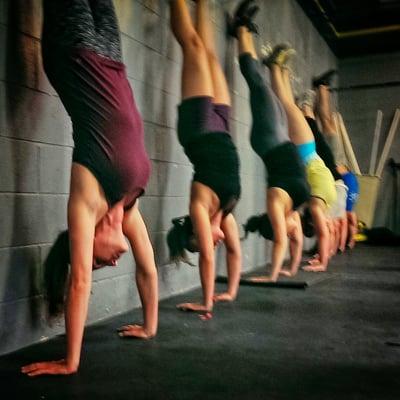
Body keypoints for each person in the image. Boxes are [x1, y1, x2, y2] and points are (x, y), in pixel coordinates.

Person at [21, 0, 158, 377]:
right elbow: (147, 269)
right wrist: (150, 326)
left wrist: (71, 361)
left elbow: (78, 281)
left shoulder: (88, 199)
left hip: (74, 55)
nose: (107, 264)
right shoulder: (127, 207)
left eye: (96, 260)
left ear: (89, 238)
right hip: (113, 61)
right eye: (103, 265)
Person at [167, 0, 242, 314]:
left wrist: (206, 301)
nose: (217, 242)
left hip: (197, 129)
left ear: (196, 232)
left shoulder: (200, 205)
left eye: (208, 241)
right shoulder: (225, 213)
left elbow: (209, 259)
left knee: (193, 47)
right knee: (210, 57)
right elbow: (235, 254)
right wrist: (231, 292)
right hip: (222, 128)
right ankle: (201, 5)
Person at [228, 0, 309, 281]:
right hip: (281, 138)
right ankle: (246, 36)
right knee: (272, 95)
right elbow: (294, 243)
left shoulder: (277, 203)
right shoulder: (294, 213)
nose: (292, 230)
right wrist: (292, 268)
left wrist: (272, 275)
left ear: (274, 226)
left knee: (258, 85)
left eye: (283, 230)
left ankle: (241, 29)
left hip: (268, 139)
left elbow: (283, 242)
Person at [262, 44, 337, 273]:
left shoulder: (319, 205)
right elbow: (325, 233)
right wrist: (323, 263)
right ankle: (276, 67)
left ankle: (280, 69)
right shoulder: (315, 206)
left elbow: (303, 238)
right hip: (306, 152)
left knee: (288, 108)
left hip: (308, 154)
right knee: (286, 107)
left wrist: (293, 268)